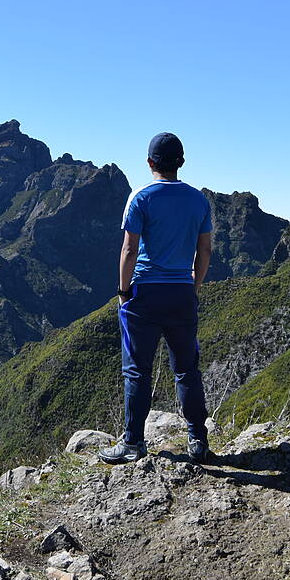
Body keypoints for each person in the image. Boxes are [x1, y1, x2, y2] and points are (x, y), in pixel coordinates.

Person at [99, 132, 213, 465]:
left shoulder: (140, 198)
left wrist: (123, 292)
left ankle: (133, 443)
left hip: (145, 294)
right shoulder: (198, 200)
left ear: (150, 162)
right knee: (187, 370)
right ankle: (197, 440)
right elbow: (204, 250)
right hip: (181, 292)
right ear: (181, 162)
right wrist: (194, 285)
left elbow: (129, 249)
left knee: (137, 371)